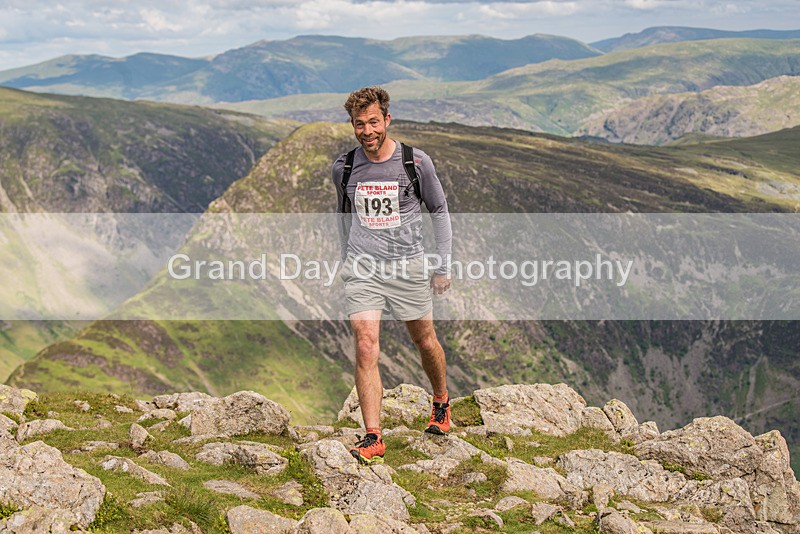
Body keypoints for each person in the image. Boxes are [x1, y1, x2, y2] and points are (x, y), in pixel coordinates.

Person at [332, 86, 453, 464]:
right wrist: (346, 260)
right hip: (363, 268)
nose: (367, 131)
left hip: (408, 266)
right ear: (352, 126)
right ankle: (373, 436)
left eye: (373, 122)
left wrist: (442, 265)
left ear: (387, 120)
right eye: (358, 124)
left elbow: (440, 211)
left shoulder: (415, 163)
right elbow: (344, 217)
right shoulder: (344, 167)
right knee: (365, 344)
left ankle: (441, 402)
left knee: (425, 340)